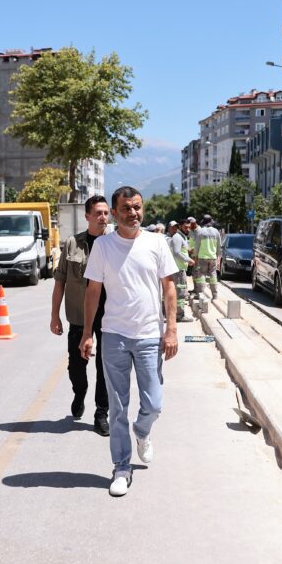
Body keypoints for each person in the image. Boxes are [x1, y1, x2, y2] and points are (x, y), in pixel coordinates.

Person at [80, 186, 179, 497]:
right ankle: (121, 466)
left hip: (150, 335)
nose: (133, 213)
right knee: (117, 408)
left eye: (137, 207)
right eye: (126, 208)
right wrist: (86, 333)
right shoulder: (103, 247)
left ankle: (142, 432)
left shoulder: (157, 242)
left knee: (154, 404)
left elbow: (169, 289)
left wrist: (172, 329)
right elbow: (93, 291)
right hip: (114, 336)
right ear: (115, 211)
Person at [50, 195, 111, 435]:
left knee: (104, 367)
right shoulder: (72, 244)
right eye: (98, 213)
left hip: (108, 316)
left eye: (106, 213)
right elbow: (60, 282)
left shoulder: (115, 244)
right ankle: (80, 392)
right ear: (87, 216)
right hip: (78, 315)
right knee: (77, 367)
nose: (103, 217)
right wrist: (54, 316)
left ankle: (101, 413)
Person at [167, 220, 194, 322]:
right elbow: (177, 252)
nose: (188, 229)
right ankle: (180, 315)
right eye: (185, 227)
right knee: (181, 293)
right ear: (180, 227)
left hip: (180, 269)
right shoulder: (177, 237)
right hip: (178, 269)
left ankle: (176, 314)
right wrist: (188, 259)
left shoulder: (181, 237)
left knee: (179, 292)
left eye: (189, 227)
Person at [192, 214, 222, 298]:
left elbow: (197, 246)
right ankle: (215, 295)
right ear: (211, 222)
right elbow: (219, 246)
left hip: (202, 257)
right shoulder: (216, 232)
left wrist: (195, 256)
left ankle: (201, 294)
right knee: (213, 275)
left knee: (201, 275)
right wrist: (218, 257)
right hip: (213, 257)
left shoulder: (201, 231)